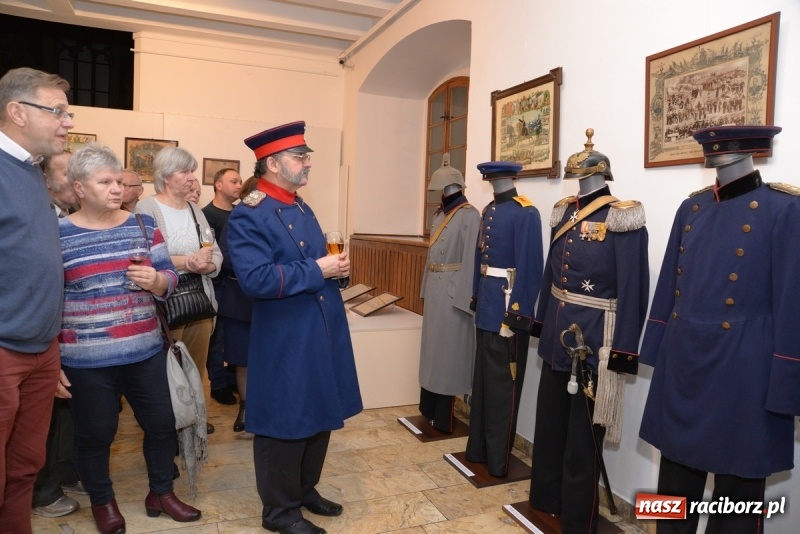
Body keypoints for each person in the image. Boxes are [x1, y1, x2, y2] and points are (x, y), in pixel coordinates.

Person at [639, 125, 800, 534]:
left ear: (752, 154)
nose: (715, 157)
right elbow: (668, 291)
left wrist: (786, 383)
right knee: (673, 494)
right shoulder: (690, 209)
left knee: (738, 503)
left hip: (745, 371)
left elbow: (791, 302)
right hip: (685, 364)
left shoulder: (784, 209)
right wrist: (655, 347)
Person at [227, 121, 362, 534]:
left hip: (320, 326)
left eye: (307, 156)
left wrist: (333, 271)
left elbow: (315, 260)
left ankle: (304, 490)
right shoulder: (248, 215)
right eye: (299, 157)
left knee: (320, 413)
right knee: (286, 422)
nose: (307, 164)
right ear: (272, 163)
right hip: (286, 334)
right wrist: (317, 268)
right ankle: (279, 512)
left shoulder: (300, 204)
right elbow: (257, 281)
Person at [58, 143, 200, 534]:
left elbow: (169, 276)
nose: (117, 189)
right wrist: (52, 357)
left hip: (145, 351)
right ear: (80, 188)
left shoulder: (142, 225)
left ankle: (161, 493)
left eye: (118, 181)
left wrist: (157, 281)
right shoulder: (60, 235)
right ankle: (103, 502)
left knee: (161, 424)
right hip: (86, 360)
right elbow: (50, 299)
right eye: (105, 182)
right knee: (96, 434)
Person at [529, 129, 649, 533]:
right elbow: (551, 274)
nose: (579, 182)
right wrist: (541, 322)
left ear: (603, 175)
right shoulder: (563, 211)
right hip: (557, 335)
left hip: (596, 339)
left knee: (583, 439)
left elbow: (633, 289)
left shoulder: (623, 215)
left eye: (585, 175)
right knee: (549, 424)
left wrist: (625, 351)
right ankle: (546, 499)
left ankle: (578, 518)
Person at [0, 67, 72, 533]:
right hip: (4, 350)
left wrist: (52, 348)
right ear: (16, 112)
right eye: (57, 112)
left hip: (41, 351)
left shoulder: (31, 172)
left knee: (26, 464)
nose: (67, 122)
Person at [136, 146, 222, 434]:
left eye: (192, 172)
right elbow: (145, 257)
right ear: (165, 176)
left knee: (195, 370)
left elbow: (215, 252)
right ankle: (165, 432)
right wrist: (189, 261)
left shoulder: (195, 209)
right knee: (165, 372)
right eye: (185, 172)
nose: (192, 179)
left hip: (199, 300)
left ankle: (193, 421)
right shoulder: (147, 208)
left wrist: (207, 265)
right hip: (163, 303)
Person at [465, 161, 543, 477]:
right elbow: (478, 259)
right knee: (482, 382)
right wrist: (475, 295)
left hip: (507, 309)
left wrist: (518, 313)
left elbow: (532, 267)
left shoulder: (526, 212)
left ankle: (498, 459)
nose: (493, 185)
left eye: (497, 180)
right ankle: (478, 449)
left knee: (503, 389)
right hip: (487, 304)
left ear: (510, 178)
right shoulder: (489, 211)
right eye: (490, 181)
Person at [32, 149, 84, 519]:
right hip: (37, 336)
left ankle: (64, 473)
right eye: (68, 172)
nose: (75, 179)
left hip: (64, 334)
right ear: (45, 179)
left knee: (63, 412)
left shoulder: (64, 217)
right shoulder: (39, 220)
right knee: (42, 420)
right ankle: (42, 490)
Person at [418, 154, 480, 433]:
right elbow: (431, 255)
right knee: (432, 353)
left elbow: (471, 260)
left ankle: (444, 417)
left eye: (442, 189)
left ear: (452, 187)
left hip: (453, 290)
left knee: (448, 355)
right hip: (435, 288)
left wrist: (463, 298)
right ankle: (428, 410)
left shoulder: (469, 215)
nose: (440, 194)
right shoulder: (440, 215)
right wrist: (424, 289)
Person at [218, 176, 256, 434]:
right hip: (240, 300)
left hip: (272, 302)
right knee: (243, 360)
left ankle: (265, 407)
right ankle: (245, 409)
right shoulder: (237, 218)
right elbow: (225, 257)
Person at [202, 167, 243, 406]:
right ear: (218, 185)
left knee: (236, 336)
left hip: (239, 285)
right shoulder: (207, 214)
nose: (239, 185)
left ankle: (234, 378)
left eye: (240, 181)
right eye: (233, 181)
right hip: (218, 284)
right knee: (217, 338)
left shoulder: (240, 213)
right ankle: (217, 384)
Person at [43, 151, 78, 216]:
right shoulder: (39, 217)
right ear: (47, 180)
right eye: (69, 174)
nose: (77, 180)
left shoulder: (78, 212)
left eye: (78, 174)